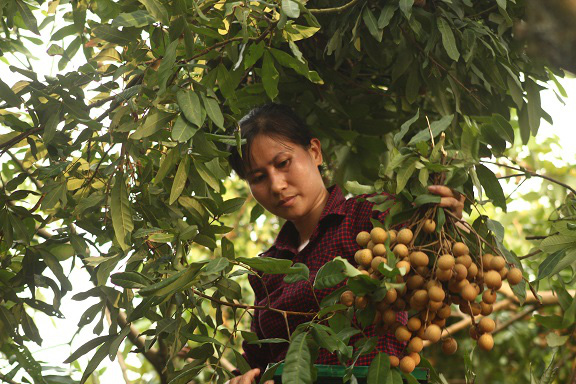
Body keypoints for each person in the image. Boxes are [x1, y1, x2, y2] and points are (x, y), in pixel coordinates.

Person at [226, 103, 465, 384]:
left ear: (314, 152)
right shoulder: (267, 268)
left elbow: (447, 277)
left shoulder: (373, 217)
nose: (277, 185)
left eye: (283, 163)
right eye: (258, 177)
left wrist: (449, 225)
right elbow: (255, 362)